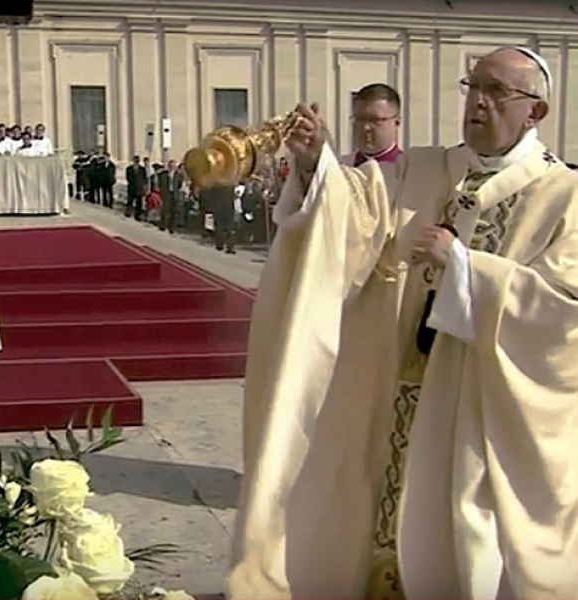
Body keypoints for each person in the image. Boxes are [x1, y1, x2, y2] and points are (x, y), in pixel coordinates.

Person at [231, 46, 578, 600]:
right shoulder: (424, 167)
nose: (478, 103)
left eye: (496, 92)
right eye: (473, 87)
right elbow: (355, 214)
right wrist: (316, 162)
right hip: (396, 390)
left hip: (477, 409)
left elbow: (566, 317)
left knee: (463, 542)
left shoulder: (564, 195)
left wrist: (467, 269)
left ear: (535, 112)